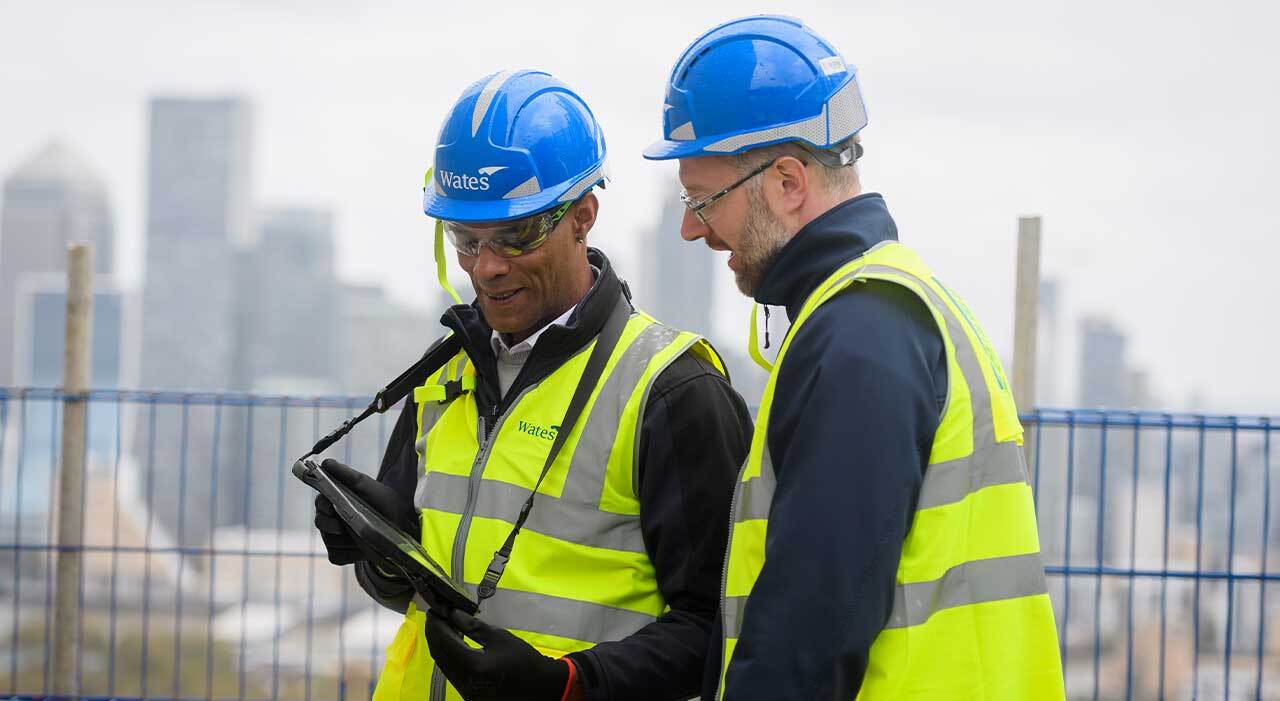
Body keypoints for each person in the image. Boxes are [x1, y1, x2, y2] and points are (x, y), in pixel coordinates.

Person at [644, 16, 1065, 700]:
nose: (692, 228)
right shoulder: (882, 308)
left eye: (702, 200)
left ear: (786, 182)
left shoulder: (860, 334)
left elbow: (805, 642)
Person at [313, 69, 752, 700]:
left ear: (583, 217)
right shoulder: (445, 376)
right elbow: (406, 596)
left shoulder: (671, 392)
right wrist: (381, 554)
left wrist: (568, 685)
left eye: (516, 236)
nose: (487, 268)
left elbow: (718, 628)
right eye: (467, 239)